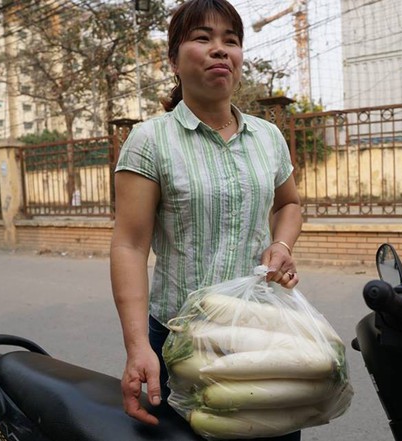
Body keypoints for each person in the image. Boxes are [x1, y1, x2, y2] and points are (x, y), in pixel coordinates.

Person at [110, 0, 302, 438]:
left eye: (230, 41)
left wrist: (282, 246)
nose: (220, 50)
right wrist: (137, 344)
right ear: (174, 60)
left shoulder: (267, 137)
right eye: (203, 38)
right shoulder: (149, 141)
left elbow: (288, 204)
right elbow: (129, 246)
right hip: (180, 340)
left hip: (259, 332)